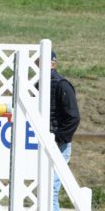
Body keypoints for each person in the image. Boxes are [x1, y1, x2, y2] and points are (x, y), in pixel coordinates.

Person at [49, 50, 81, 211]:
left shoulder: (62, 85)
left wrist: (57, 138)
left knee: (50, 191)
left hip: (58, 144)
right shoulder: (35, 84)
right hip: (40, 143)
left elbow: (74, 117)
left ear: (52, 63)